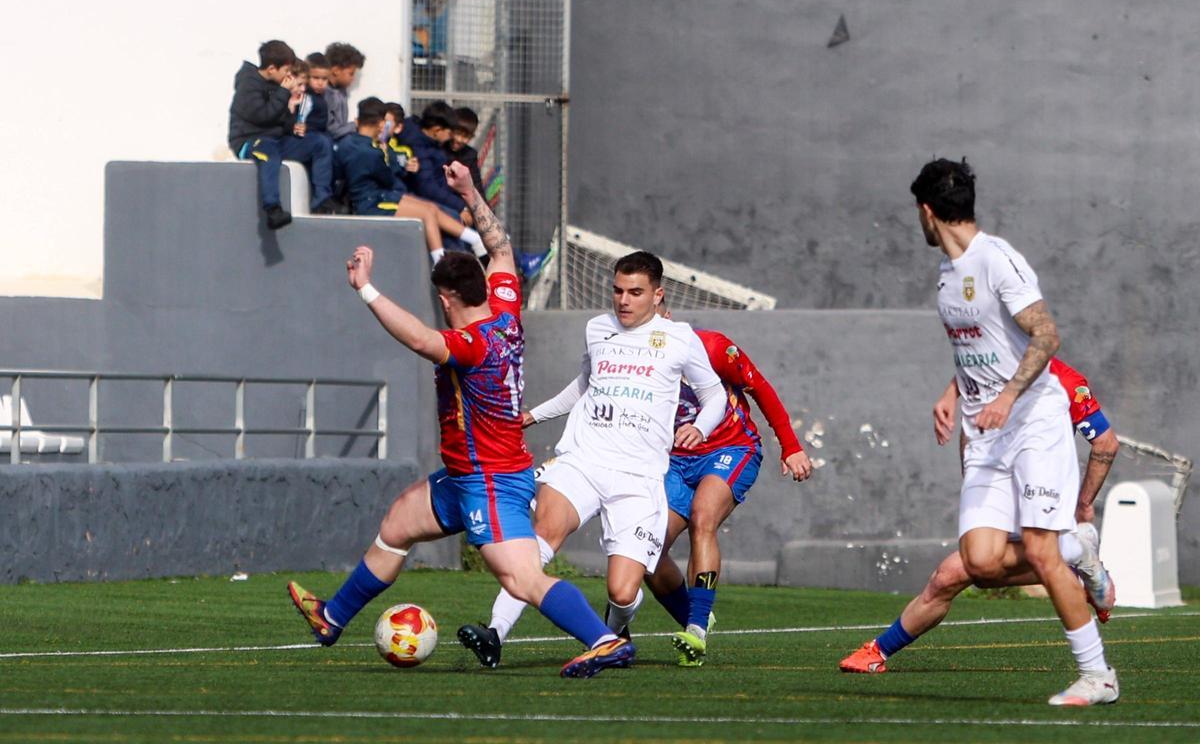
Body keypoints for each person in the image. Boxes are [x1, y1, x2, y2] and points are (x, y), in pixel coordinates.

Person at [287, 162, 631, 679]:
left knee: (522, 579)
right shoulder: (505, 309)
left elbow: (423, 341)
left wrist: (366, 289)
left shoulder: (469, 344)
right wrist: (469, 190)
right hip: (469, 472)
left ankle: (604, 640)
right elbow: (503, 250)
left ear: (446, 298)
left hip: (488, 480)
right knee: (399, 523)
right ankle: (331, 617)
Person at [897, 158, 1117, 706]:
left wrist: (1008, 396)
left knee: (1039, 551)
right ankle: (1078, 547)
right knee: (981, 562)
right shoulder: (948, 274)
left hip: (1034, 423)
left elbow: (1045, 334)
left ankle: (1098, 676)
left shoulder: (997, 259)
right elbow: (985, 347)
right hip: (986, 431)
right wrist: (953, 394)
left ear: (927, 212)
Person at [457, 252, 729, 669]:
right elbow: (584, 385)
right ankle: (495, 632)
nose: (624, 300)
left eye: (635, 292)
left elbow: (714, 396)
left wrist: (701, 428)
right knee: (543, 533)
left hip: (638, 478)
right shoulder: (597, 329)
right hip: (584, 459)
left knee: (622, 591)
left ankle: (613, 631)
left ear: (658, 295)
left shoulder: (680, 338)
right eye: (618, 290)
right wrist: (534, 414)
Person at [840, 356, 1120, 674]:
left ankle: (877, 651)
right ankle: (1075, 555)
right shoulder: (983, 371)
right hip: (998, 501)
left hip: (1038, 500)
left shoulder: (1064, 380)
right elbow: (972, 430)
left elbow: (1105, 444)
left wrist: (1083, 504)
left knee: (951, 575)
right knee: (978, 572)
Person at [645, 306, 814, 667]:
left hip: (731, 449)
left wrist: (791, 447)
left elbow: (761, 389)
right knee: (646, 550)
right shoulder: (632, 359)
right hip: (673, 460)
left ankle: (696, 632)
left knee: (702, 518)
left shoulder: (713, 347)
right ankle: (694, 617)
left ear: (667, 312)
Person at [335, 98, 487, 263]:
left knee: (431, 208)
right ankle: (440, 262)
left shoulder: (346, 144)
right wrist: (390, 159)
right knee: (427, 213)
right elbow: (386, 177)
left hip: (380, 196)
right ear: (380, 125)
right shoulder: (373, 151)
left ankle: (475, 239)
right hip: (374, 202)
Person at [228, 40, 337, 229]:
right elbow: (262, 116)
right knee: (269, 153)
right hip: (249, 141)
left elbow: (279, 122)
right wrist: (283, 93)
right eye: (286, 70)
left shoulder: (277, 87)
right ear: (271, 68)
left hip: (276, 139)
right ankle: (273, 208)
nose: (289, 76)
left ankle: (322, 200)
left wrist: (293, 125)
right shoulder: (249, 84)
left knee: (320, 143)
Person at [324, 42, 365, 140]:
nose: (353, 78)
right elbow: (332, 130)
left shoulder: (341, 91)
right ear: (336, 70)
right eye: (351, 74)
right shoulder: (326, 94)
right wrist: (355, 125)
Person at [446, 106, 485, 197]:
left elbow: (476, 185)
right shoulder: (439, 148)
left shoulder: (469, 155)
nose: (459, 139)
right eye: (457, 133)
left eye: (465, 136)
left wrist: (485, 210)